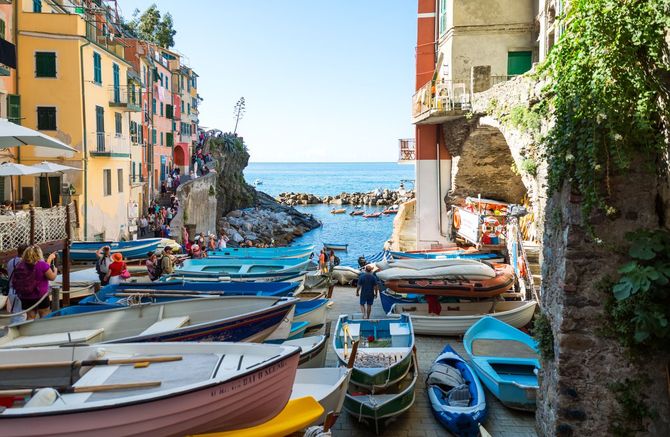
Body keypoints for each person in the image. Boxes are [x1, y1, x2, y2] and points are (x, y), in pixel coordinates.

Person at [11, 245, 57, 320]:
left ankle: (29, 331)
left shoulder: (20, 264)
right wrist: (55, 271)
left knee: (30, 317)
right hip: (40, 295)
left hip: (26, 295)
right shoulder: (42, 264)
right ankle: (42, 331)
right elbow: (52, 277)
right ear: (39, 253)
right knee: (44, 315)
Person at [6, 244, 28, 324]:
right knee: (21, 315)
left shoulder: (10, 262)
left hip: (11, 291)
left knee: (14, 314)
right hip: (21, 291)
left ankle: (13, 329)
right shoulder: (25, 263)